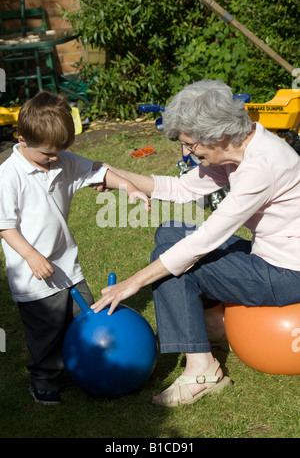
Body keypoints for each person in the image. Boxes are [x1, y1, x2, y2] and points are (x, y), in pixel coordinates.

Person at [91, 79, 300, 407]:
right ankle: (214, 327)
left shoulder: (261, 166)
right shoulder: (237, 150)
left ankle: (203, 371)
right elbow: (180, 189)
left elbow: (203, 242)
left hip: (288, 274)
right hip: (270, 256)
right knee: (171, 231)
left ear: (218, 135)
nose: (186, 152)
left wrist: (131, 284)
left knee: (174, 260)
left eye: (190, 143)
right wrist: (112, 175)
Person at [0, 91, 150, 405]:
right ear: (22, 138)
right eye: (47, 154)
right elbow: (5, 226)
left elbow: (98, 170)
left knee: (86, 320)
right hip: (34, 275)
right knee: (47, 332)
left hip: (67, 266)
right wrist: (31, 255)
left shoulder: (62, 161)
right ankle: (44, 382)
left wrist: (130, 186)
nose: (55, 160)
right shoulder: (8, 176)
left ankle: (86, 366)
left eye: (60, 152)